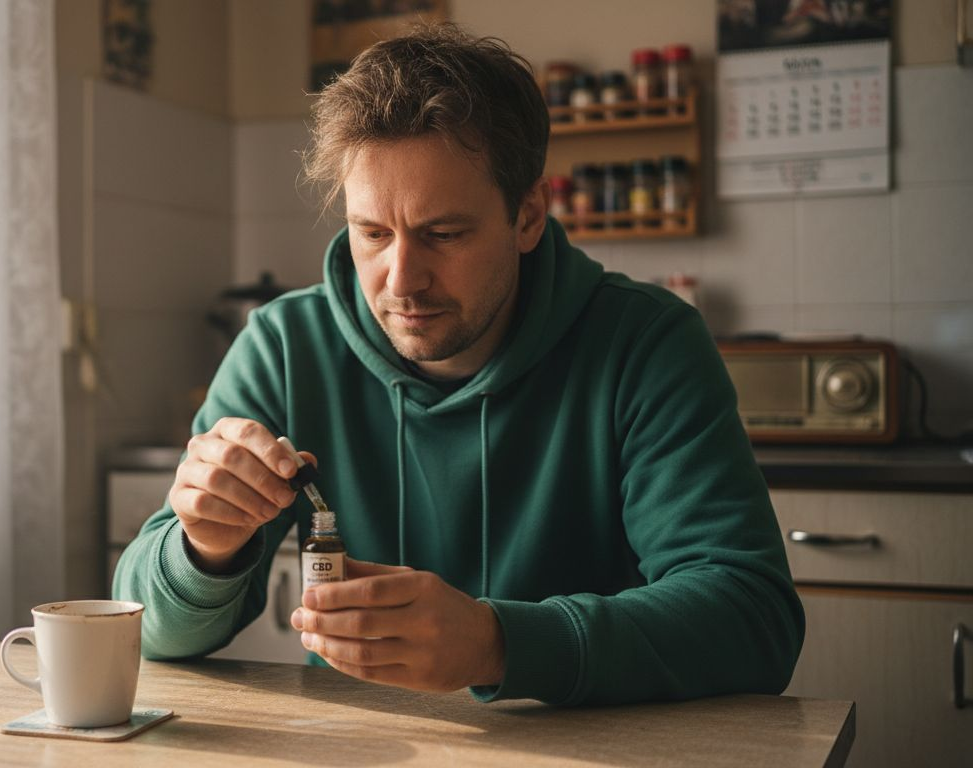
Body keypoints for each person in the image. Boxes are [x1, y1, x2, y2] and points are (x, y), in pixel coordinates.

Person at [113, 23, 804, 706]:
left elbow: (753, 618)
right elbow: (147, 631)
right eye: (373, 234)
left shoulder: (647, 345)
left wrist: (499, 643)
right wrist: (204, 548)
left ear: (529, 214)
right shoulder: (284, 347)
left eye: (443, 234)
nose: (401, 279)